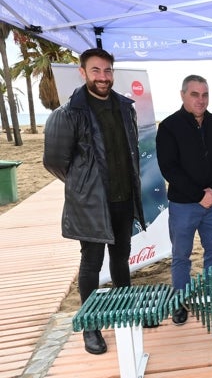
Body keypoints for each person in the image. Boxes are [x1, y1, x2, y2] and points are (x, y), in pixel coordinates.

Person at [43, 48, 146, 355]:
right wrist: (83, 187)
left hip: (123, 199)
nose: (103, 77)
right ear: (83, 72)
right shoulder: (69, 113)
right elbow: (54, 162)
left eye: (107, 71)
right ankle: (91, 326)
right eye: (96, 71)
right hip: (91, 204)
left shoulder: (125, 108)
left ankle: (125, 310)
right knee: (91, 265)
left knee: (121, 259)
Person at [156, 75, 212, 324]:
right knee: (181, 256)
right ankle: (181, 302)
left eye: (204, 94)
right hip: (183, 205)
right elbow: (169, 168)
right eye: (194, 94)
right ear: (183, 95)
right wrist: (199, 195)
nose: (200, 100)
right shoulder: (169, 127)